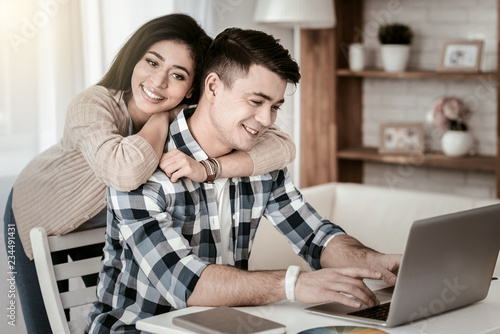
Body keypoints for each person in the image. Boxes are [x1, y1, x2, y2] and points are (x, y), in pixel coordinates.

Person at [85, 27, 401, 333]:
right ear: (212, 87)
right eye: (256, 101)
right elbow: (186, 283)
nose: (266, 120)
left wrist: (376, 263)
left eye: (275, 106)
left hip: (222, 326)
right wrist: (294, 283)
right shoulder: (143, 170)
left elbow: (315, 236)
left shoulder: (258, 163)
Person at [3, 14, 296, 334]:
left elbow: (282, 148)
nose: (158, 82)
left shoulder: (190, 119)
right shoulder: (92, 105)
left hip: (106, 217)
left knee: (105, 305)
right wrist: (163, 119)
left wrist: (210, 168)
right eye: (152, 62)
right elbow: (125, 171)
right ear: (134, 58)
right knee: (44, 323)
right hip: (37, 208)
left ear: (192, 89)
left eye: (178, 75)